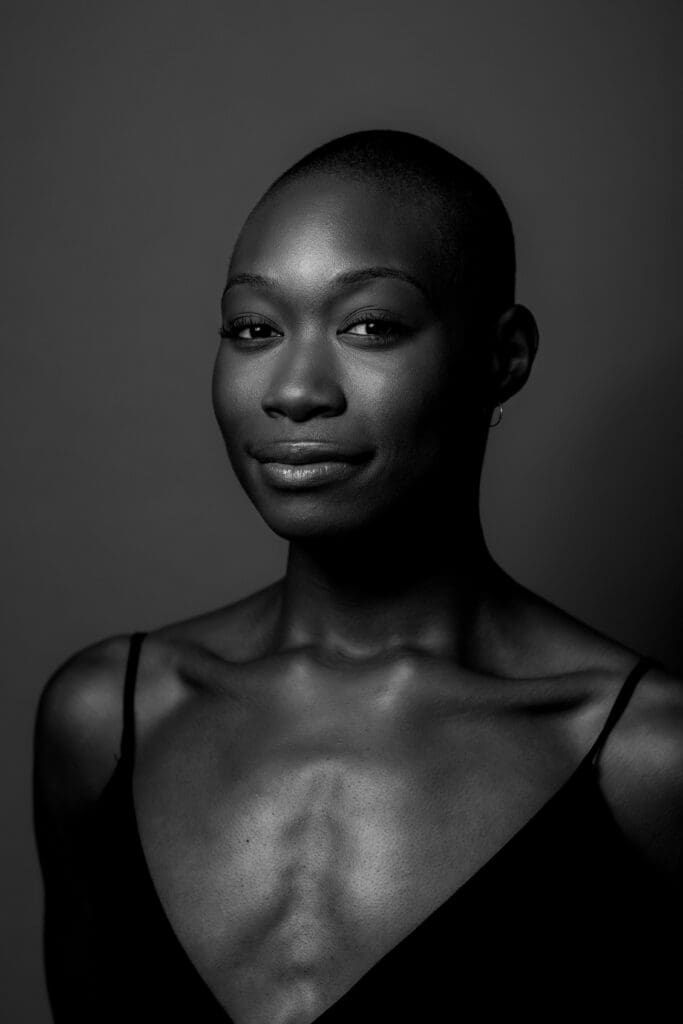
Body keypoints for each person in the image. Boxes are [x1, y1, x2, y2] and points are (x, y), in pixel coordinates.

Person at [34, 129, 682, 1024]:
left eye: (370, 326)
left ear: (503, 359)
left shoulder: (646, 760)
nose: (295, 390)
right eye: (253, 329)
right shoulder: (108, 717)